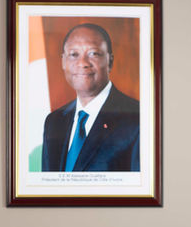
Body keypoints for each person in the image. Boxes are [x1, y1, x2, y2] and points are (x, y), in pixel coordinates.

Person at [41, 23, 140, 172]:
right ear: (63, 61)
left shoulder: (137, 118)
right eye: (74, 54)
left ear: (110, 61)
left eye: (93, 53)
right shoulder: (54, 122)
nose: (82, 63)